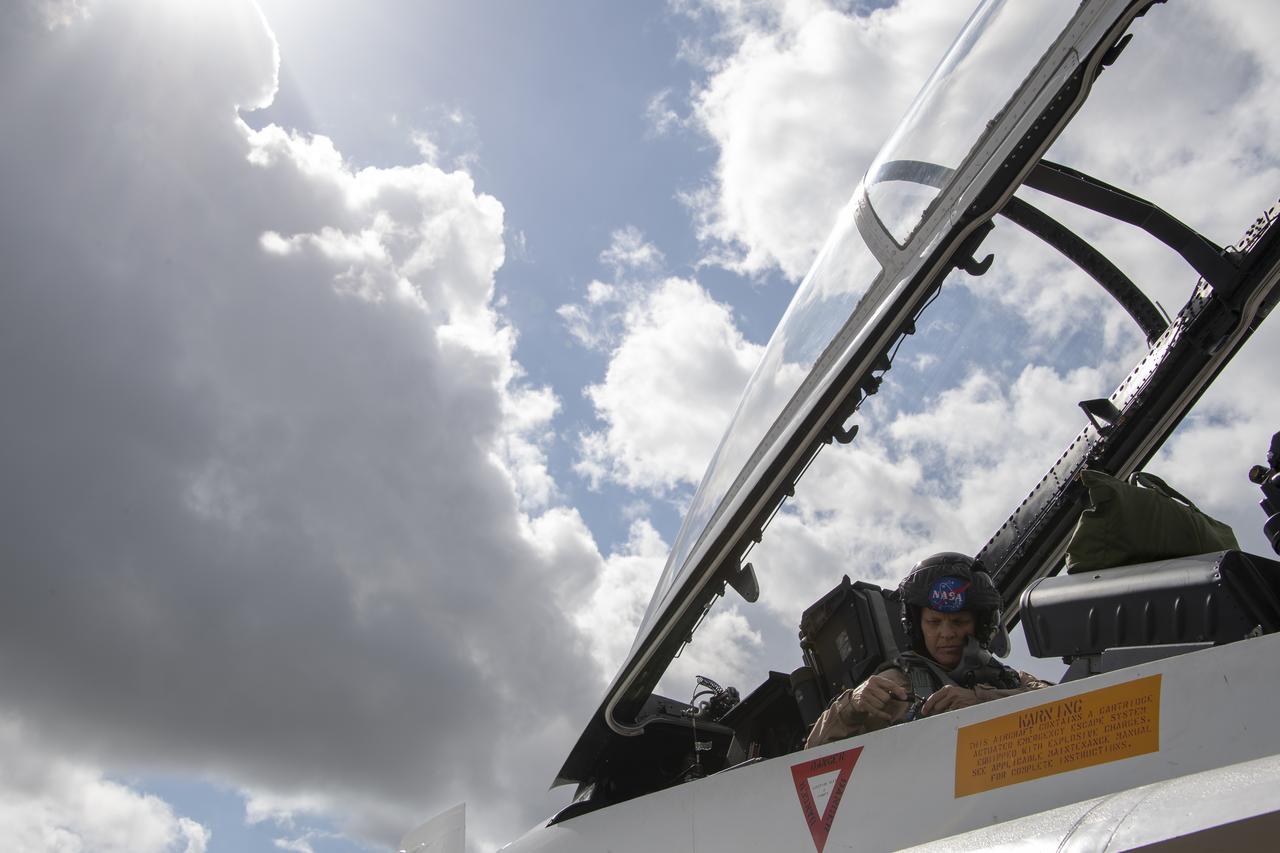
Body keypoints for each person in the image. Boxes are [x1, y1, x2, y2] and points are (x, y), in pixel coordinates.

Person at [805, 552, 1052, 748]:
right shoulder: (897, 686)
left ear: (981, 625)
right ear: (917, 626)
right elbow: (812, 757)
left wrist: (981, 700)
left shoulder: (1009, 680)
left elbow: (1062, 705)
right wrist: (851, 705)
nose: (946, 634)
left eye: (959, 622)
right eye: (934, 623)